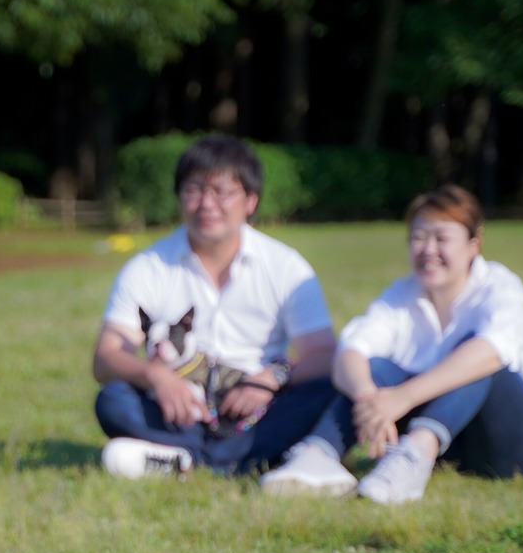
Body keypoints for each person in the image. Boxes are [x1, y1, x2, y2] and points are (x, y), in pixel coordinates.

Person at [260, 184, 523, 503]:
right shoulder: (402, 295)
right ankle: (317, 456)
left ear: (473, 244)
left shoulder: (500, 289)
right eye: (418, 237)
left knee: (475, 357)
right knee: (375, 368)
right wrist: (369, 398)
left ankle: (415, 455)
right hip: (457, 445)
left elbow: (490, 352)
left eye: (441, 238)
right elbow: (350, 351)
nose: (428, 249)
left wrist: (402, 397)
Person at [92, 135, 339, 478]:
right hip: (175, 410)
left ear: (250, 201)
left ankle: (184, 460)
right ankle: (233, 460)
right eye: (194, 190)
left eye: (222, 192)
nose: (206, 203)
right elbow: (106, 357)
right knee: (114, 399)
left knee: (329, 390)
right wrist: (156, 376)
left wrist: (269, 379)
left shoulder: (285, 266)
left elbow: (325, 354)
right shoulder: (147, 267)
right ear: (179, 197)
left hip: (259, 409)